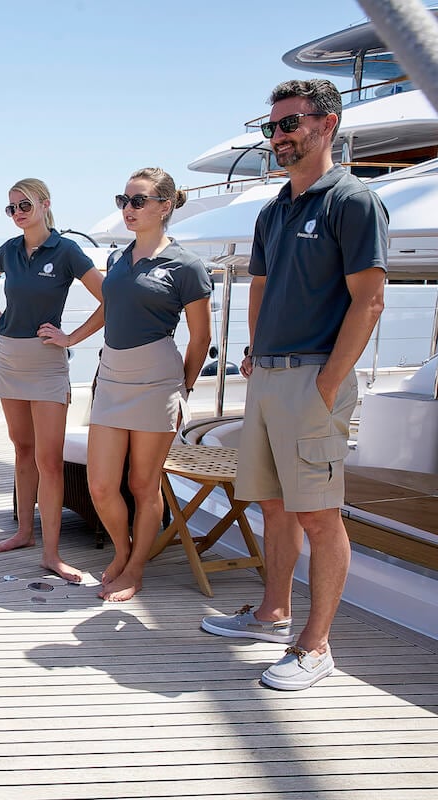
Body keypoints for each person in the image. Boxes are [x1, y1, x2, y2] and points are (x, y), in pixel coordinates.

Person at [202, 79, 387, 690]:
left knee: (318, 516)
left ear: (326, 124)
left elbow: (369, 301)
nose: (277, 136)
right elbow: (258, 287)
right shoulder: (273, 209)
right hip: (270, 376)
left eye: (289, 124)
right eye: (271, 127)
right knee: (274, 505)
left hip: (314, 377)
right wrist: (255, 353)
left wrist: (328, 386)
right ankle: (272, 614)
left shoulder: (352, 201)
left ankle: (316, 646)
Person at [86, 167, 212, 602]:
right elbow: (111, 309)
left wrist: (184, 390)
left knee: (144, 484)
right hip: (111, 377)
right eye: (123, 201)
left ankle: (136, 568)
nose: (128, 209)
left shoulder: (186, 265)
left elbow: (202, 338)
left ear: (165, 206)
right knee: (101, 484)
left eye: (137, 201)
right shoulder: (117, 259)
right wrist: (68, 338)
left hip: (158, 382)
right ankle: (123, 553)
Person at [0, 179, 104, 582]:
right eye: (11, 208)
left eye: (24, 205)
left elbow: (110, 298)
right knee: (23, 449)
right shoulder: (8, 250)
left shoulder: (65, 250)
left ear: (45, 204)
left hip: (47, 363)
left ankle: (51, 553)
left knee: (49, 460)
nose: (17, 213)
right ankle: (25, 533)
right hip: (10, 357)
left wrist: (71, 338)